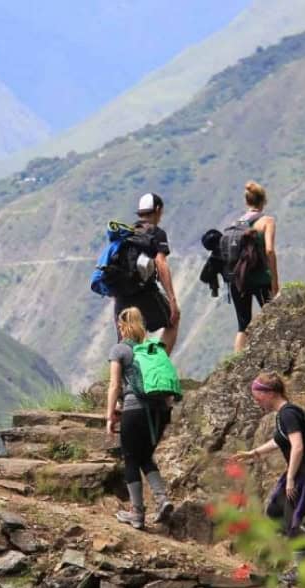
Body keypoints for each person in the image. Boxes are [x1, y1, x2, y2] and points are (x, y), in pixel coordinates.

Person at [232, 372, 305, 569]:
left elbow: (298, 446)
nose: (257, 401)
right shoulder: (285, 413)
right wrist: (253, 453)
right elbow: (280, 440)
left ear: (269, 393)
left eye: (257, 396)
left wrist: (291, 479)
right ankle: (289, 556)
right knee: (275, 511)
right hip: (301, 472)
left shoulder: (287, 413)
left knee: (290, 518)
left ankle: (303, 565)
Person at [105, 307, 175, 530]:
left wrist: (109, 416)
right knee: (145, 455)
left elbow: (115, 385)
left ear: (122, 325)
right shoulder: (153, 349)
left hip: (135, 409)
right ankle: (162, 498)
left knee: (130, 458)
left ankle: (136, 513)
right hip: (160, 411)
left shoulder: (120, 350)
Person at [113, 192, 180, 353]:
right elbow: (161, 263)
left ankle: (123, 376)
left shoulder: (127, 233)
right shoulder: (156, 233)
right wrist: (172, 300)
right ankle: (159, 364)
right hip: (146, 293)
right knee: (173, 320)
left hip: (121, 295)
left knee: (127, 340)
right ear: (157, 209)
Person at [231, 181, 279, 353]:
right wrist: (274, 281)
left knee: (243, 325)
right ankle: (273, 353)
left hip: (238, 278)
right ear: (263, 201)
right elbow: (269, 250)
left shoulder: (237, 223)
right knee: (274, 316)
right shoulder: (267, 221)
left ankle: (235, 366)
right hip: (259, 278)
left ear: (247, 201)